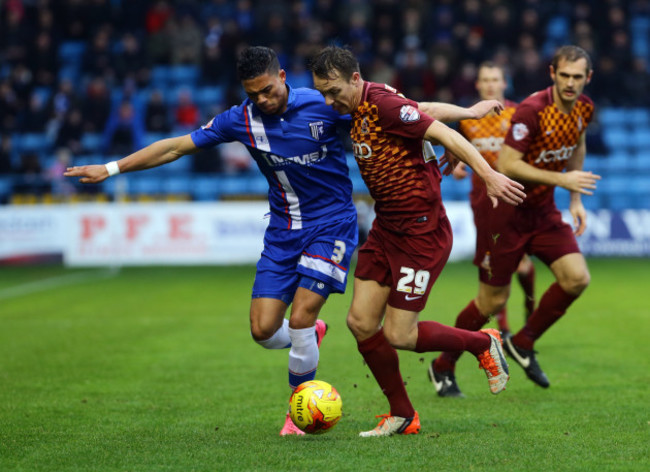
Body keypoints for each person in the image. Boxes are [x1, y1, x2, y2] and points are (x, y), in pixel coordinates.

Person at [65, 46, 359, 437]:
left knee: (301, 316)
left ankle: (297, 413)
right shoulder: (240, 120)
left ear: (283, 76)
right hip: (284, 232)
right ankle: (311, 335)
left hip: (331, 223)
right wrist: (111, 167)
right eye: (252, 94)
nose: (262, 100)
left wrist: (432, 143)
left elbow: (386, 115)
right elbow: (174, 146)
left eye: (268, 90)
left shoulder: (323, 104)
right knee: (263, 330)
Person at [309, 46, 526, 437]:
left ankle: (481, 343)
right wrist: (469, 111)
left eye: (333, 91)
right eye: (323, 93)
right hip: (387, 226)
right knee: (360, 322)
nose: (329, 101)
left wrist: (487, 173)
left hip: (421, 233)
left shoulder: (381, 103)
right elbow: (424, 108)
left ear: (355, 80)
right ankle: (403, 415)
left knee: (398, 334)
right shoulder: (366, 105)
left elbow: (439, 131)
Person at [442, 45, 600, 389]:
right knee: (491, 302)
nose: (571, 83)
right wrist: (564, 180)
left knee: (577, 278)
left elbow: (577, 145)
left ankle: (523, 341)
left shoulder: (583, 108)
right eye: (565, 75)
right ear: (552, 74)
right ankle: (443, 364)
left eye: (578, 77)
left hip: (543, 211)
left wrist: (574, 198)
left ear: (588, 78)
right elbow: (507, 165)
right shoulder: (530, 111)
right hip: (503, 214)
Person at [429, 62, 537, 398]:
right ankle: (505, 336)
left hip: (521, 205)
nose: (490, 85)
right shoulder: (467, 120)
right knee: (494, 294)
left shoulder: (520, 116)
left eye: (496, 79)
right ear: (478, 85)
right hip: (487, 209)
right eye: (485, 80)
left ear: (505, 83)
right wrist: (459, 164)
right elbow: (455, 155)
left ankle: (522, 329)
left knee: (516, 277)